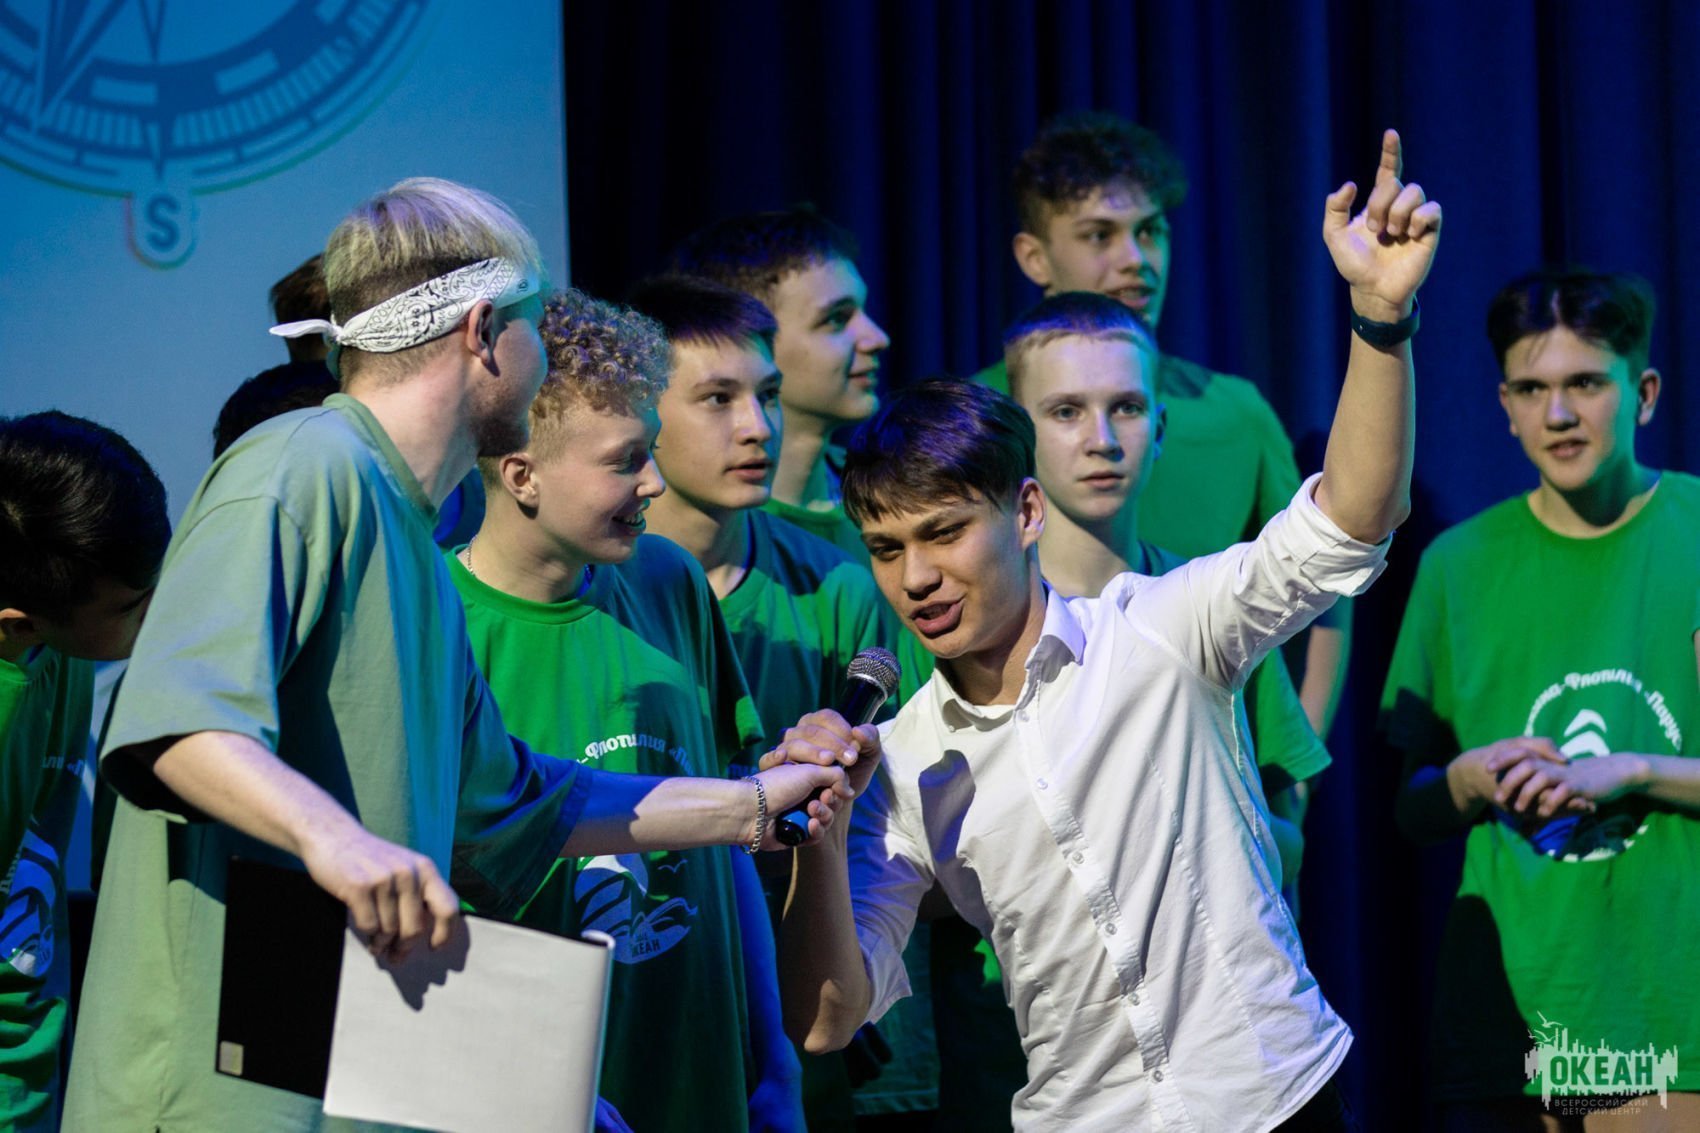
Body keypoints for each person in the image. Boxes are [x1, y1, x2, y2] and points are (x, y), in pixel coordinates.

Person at [63, 178, 850, 1130]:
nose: (546, 355)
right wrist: (341, 843)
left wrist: (752, 804)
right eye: (536, 328)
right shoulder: (303, 463)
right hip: (208, 1099)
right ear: (483, 332)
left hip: (330, 1069)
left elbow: (520, 804)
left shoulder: (413, 541)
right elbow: (176, 724)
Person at [771, 131, 1439, 1130]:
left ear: (1024, 512)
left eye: (944, 533)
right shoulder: (904, 760)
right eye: (885, 547)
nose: (915, 576)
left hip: (1269, 1098)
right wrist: (817, 843)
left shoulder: (1158, 628)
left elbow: (1348, 523)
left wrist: (1380, 321)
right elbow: (827, 1018)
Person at [448, 285, 803, 1132]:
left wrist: (773, 1054)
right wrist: (537, 1085)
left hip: (701, 1077)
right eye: (625, 460)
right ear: (522, 474)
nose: (654, 481)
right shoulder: (441, 623)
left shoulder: (667, 578)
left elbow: (728, 834)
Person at [1383, 268, 1700, 1129]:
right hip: (1509, 1009)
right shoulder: (1456, 564)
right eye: (1532, 389)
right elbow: (1413, 807)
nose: (1558, 414)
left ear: (1644, 393)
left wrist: (1629, 769)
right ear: (1505, 405)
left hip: (1664, 998)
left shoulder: (1692, 532)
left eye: (1585, 383)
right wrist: (1471, 778)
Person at [630, 275, 933, 1129]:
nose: (757, 426)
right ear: (640, 416)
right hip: (644, 984)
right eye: (717, 399)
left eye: (765, 395)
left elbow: (890, 835)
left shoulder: (834, 586)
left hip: (805, 1012)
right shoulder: (599, 586)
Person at [976, 110, 1349, 738]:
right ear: (1034, 256)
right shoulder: (976, 412)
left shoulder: (1235, 411)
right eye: (1100, 235)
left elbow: (1321, 584)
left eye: (1149, 232)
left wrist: (1298, 756)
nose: (1135, 259)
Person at [1004, 291, 1329, 911]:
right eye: (1067, 411)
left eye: (1125, 407)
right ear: (1020, 432)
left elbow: (1287, 837)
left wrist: (1191, 828)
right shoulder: (977, 616)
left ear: (1158, 429)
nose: (1101, 439)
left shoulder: (1215, 602)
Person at [0, 412, 168, 1132]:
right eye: (132, 605)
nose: (156, 609)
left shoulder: (61, 649)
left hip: (37, 1061)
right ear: (20, 621)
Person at [671, 206, 891, 561]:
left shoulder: (892, 490)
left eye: (863, 312)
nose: (877, 338)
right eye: (836, 319)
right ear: (751, 338)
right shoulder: (705, 531)